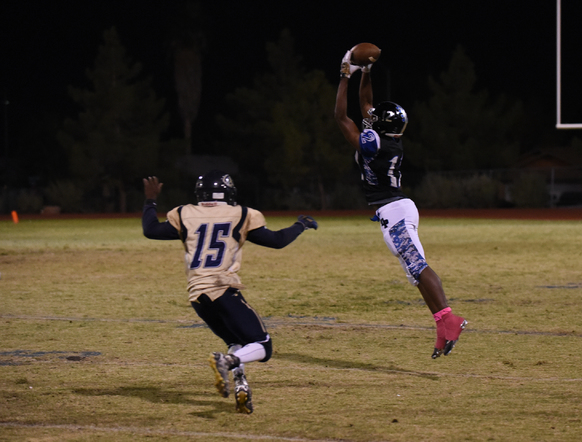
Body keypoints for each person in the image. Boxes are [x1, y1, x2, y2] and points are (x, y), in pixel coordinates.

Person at [141, 170, 318, 414]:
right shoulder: (242, 214)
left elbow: (150, 230)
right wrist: (301, 225)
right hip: (223, 288)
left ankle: (240, 384)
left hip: (197, 296)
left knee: (236, 341)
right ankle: (228, 362)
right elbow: (276, 241)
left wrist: (150, 201)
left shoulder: (184, 213)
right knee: (263, 347)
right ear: (228, 192)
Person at [334, 47, 467, 359]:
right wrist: (365, 71)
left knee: (418, 266)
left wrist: (344, 76)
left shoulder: (374, 143)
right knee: (414, 271)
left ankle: (451, 319)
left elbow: (341, 116)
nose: (370, 114)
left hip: (394, 212)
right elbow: (366, 104)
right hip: (395, 210)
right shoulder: (385, 138)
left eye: (375, 117)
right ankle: (441, 324)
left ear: (381, 125)